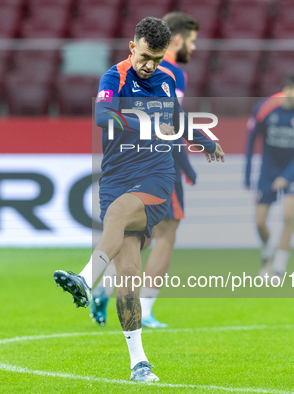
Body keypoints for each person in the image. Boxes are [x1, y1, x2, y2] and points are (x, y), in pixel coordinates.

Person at [54, 17, 225, 382]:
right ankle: (139, 362)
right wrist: (149, 124)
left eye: (158, 59)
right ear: (132, 47)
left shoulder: (165, 81)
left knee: (119, 213)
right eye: (145, 56)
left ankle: (85, 278)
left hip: (156, 178)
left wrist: (205, 140)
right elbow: (102, 116)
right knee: (129, 276)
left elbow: (176, 121)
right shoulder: (113, 77)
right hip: (116, 178)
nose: (150, 65)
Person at [89, 11, 200, 329]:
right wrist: (184, 164)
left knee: (141, 237)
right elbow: (169, 125)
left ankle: (105, 287)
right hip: (159, 165)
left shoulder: (148, 72)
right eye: (192, 40)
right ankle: (145, 307)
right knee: (166, 233)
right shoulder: (172, 74)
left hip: (138, 163)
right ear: (176, 41)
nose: (194, 47)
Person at [244, 74, 294, 279]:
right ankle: (267, 251)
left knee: (288, 216)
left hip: (292, 171)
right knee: (259, 221)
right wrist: (247, 175)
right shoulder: (265, 108)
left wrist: (287, 175)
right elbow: (250, 142)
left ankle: (279, 268)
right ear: (288, 90)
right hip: (268, 171)